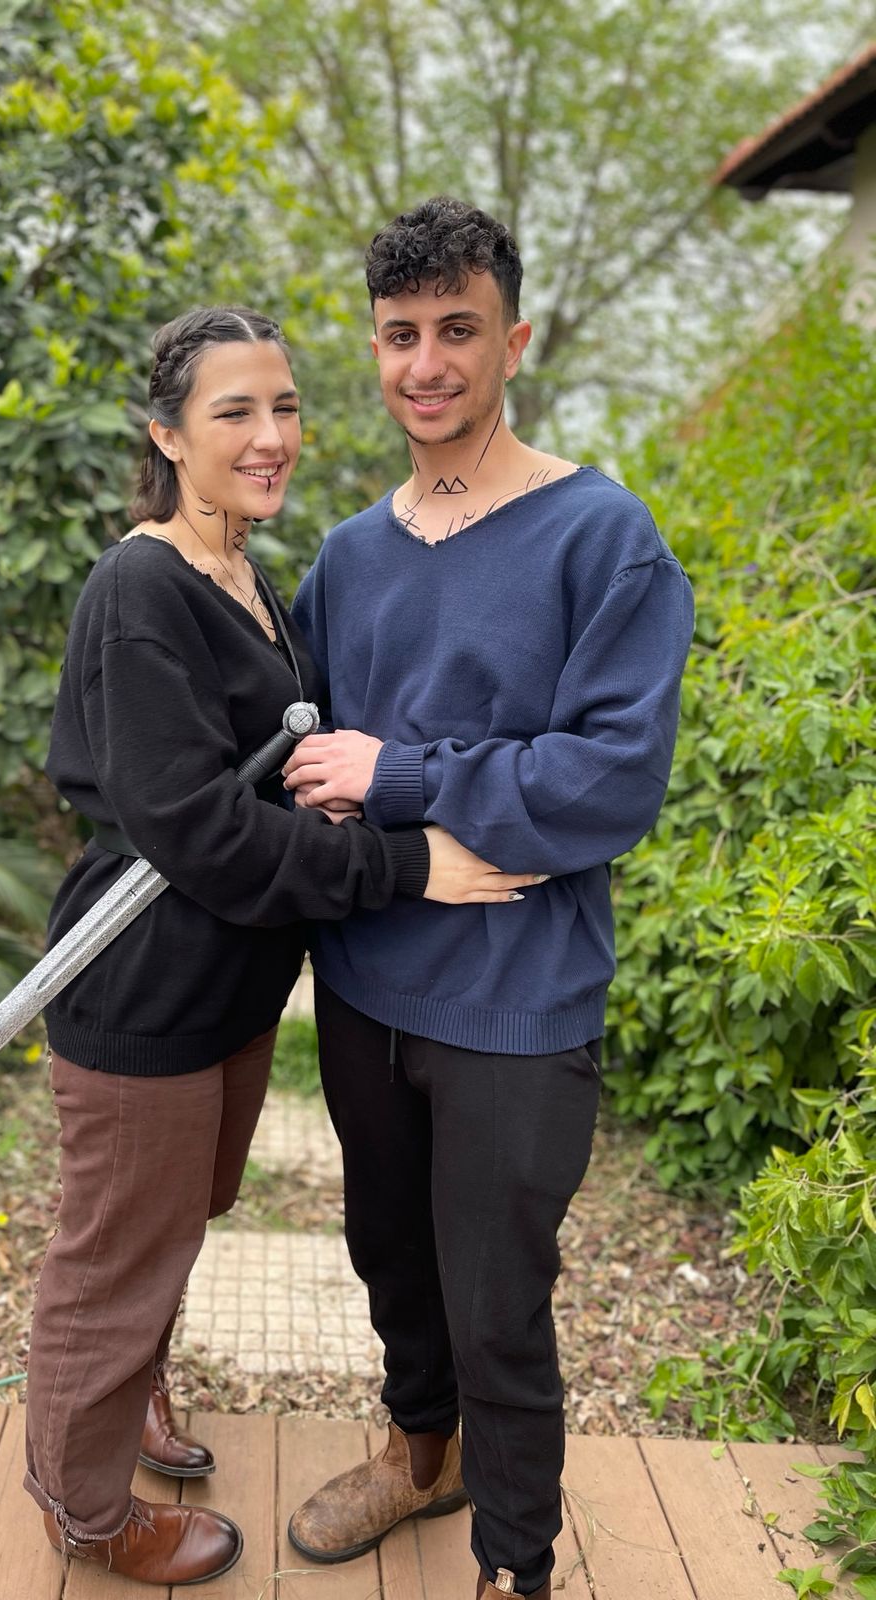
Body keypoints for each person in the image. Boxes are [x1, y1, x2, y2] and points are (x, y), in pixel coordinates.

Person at [23, 303, 547, 1589]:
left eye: (287, 407)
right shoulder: (142, 588)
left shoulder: (249, 574)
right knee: (113, 1255)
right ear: (168, 435)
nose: (271, 437)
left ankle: (136, 1389)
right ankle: (85, 1506)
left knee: (177, 1220)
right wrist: (412, 863)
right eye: (235, 412)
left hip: (231, 990)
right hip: (144, 993)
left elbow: (280, 774)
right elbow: (202, 832)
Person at [282, 199, 696, 1600]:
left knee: (500, 1303)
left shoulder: (603, 538)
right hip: (366, 983)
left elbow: (608, 783)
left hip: (518, 998)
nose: (427, 363)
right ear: (374, 349)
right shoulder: (350, 555)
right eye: (400, 334)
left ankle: (516, 1564)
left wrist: (400, 777)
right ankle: (421, 1456)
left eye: (458, 329)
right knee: (390, 1260)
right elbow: (303, 758)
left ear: (512, 342)